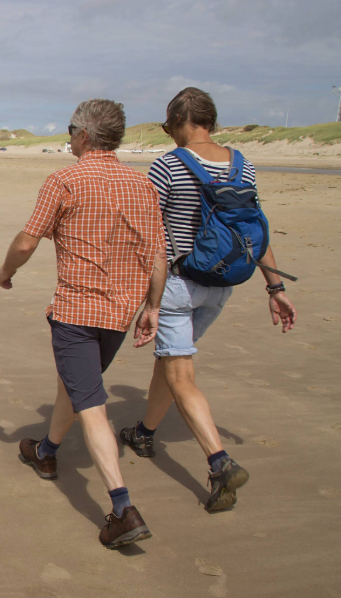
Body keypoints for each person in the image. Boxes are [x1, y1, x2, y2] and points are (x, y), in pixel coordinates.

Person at [0, 99, 166, 549]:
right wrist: (152, 306)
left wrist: (5, 272)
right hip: (119, 313)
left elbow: (28, 240)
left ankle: (122, 507)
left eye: (71, 130)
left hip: (77, 312)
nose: (68, 137)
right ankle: (47, 453)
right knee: (75, 384)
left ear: (86, 135)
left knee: (91, 404)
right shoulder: (142, 185)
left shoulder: (65, 180)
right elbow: (157, 254)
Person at [118, 87, 297, 512]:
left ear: (179, 122)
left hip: (179, 282)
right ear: (210, 122)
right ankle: (144, 433)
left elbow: (151, 238)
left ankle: (219, 462)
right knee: (172, 359)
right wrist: (276, 288)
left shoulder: (168, 167)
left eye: (168, 127)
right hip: (222, 285)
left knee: (182, 375)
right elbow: (256, 231)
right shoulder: (242, 165)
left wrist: (151, 301)